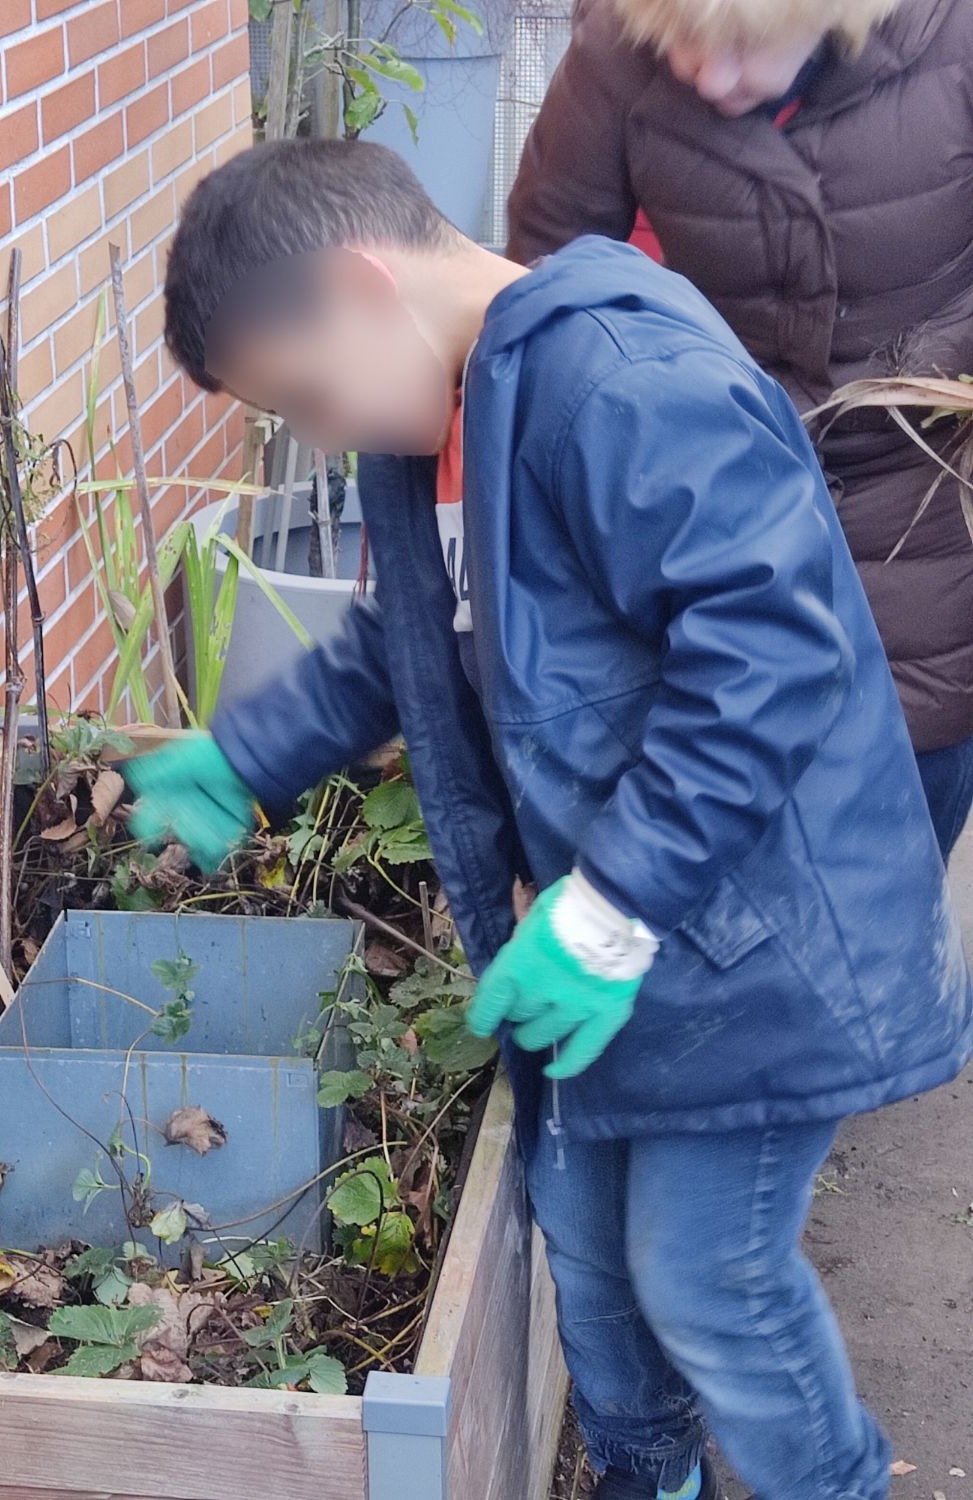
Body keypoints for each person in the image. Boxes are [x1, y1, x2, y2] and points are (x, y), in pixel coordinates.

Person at [128, 138, 972, 1500]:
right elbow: (402, 637)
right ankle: (649, 1474)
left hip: (759, 943)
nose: (323, 436)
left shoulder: (620, 384)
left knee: (708, 1273)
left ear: (366, 287)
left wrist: (610, 906)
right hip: (619, 932)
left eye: (307, 397)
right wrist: (245, 752)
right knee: (582, 1232)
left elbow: (768, 654)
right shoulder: (436, 422)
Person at [508, 0, 973, 861]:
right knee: (722, 818)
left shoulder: (952, 41)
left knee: (898, 852)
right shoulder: (618, 51)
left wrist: (927, 368)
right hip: (719, 510)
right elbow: (546, 284)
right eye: (680, 41)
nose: (706, 74)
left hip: (925, 524)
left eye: (742, 46)